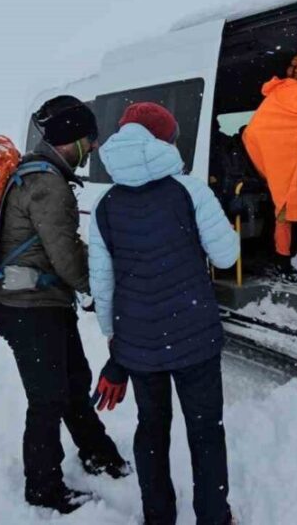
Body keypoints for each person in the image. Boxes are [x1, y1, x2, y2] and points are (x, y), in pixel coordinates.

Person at [88, 102, 240, 525]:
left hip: (138, 345)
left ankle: (158, 517)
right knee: (205, 430)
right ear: (164, 140)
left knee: (151, 428)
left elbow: (103, 285)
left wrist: (114, 341)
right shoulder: (189, 190)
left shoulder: (105, 205)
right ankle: (213, 516)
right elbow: (227, 257)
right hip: (195, 335)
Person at [0, 95, 128, 513]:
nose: (95, 146)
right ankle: (43, 487)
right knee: (48, 395)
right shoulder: (48, 185)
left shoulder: (39, 175)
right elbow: (65, 256)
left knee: (71, 381)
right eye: (90, 138)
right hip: (29, 307)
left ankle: (98, 452)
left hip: (41, 303)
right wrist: (99, 288)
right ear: (72, 139)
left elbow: (59, 250)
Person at [242, 53, 297, 259]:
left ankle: (288, 258)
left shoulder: (279, 94)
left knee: (286, 213)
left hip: (280, 167)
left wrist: (268, 161)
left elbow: (253, 132)